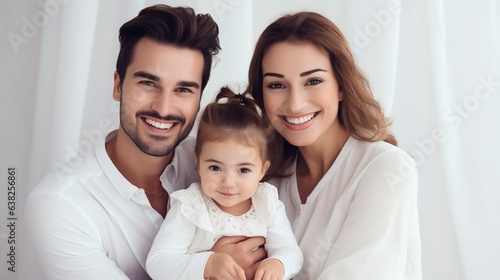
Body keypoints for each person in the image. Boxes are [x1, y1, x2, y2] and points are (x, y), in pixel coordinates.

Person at [25, 5, 265, 279]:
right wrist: (206, 268)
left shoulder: (224, 163)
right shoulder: (59, 205)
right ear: (118, 85)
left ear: (199, 99)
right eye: (148, 83)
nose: (163, 108)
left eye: (183, 89)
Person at [247, 11, 422, 280]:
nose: (295, 103)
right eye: (277, 84)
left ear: (341, 85)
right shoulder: (263, 179)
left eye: (313, 81)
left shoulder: (386, 169)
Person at [146, 87, 303, 280]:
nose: (228, 182)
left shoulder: (267, 202)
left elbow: (290, 250)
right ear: (198, 162)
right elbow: (157, 263)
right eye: (215, 168)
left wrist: (279, 264)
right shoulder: (191, 206)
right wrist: (207, 264)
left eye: (243, 170)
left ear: (262, 170)